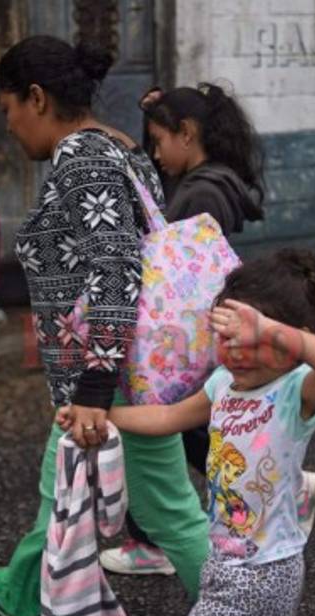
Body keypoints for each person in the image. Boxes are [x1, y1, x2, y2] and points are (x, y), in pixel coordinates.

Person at [0, 35, 210, 616]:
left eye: (8, 108)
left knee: (171, 513)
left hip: (112, 377)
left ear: (36, 98)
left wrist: (95, 385)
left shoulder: (82, 158)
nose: (8, 125)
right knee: (59, 492)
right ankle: (22, 597)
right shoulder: (118, 147)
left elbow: (116, 267)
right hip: (102, 374)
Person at [103, 250, 315, 616]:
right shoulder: (223, 383)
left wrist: (271, 329)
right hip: (224, 560)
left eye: (254, 341)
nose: (238, 353)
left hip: (262, 572)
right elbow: (168, 417)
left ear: (291, 340)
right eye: (227, 340)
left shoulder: (298, 391)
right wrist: (101, 414)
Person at [100, 82, 267, 575]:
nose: (155, 154)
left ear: (188, 134)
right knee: (191, 429)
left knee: (174, 426)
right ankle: (154, 536)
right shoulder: (208, 182)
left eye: (159, 140)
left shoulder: (202, 193)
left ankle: (153, 541)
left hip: (184, 335)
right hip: (199, 332)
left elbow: (172, 269)